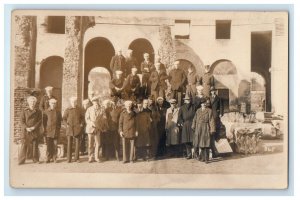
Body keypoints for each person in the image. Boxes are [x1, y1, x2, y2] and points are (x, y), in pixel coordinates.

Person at [18, 96, 42, 165]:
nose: (32, 103)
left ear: (35, 103)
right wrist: (26, 128)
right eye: (31, 101)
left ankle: (35, 159)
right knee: (24, 145)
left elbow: (39, 121)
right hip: (26, 131)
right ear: (28, 102)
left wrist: (34, 127)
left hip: (34, 130)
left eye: (34, 102)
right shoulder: (24, 111)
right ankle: (21, 160)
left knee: (35, 145)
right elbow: (22, 121)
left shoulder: (38, 111)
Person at [191, 99, 216, 164]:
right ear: (200, 104)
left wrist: (212, 129)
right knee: (200, 143)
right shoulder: (198, 110)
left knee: (206, 143)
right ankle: (202, 157)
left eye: (204, 103)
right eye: (202, 103)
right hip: (198, 128)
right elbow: (194, 119)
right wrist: (193, 126)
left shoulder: (209, 111)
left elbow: (211, 120)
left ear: (206, 104)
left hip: (206, 128)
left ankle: (206, 158)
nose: (203, 104)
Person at [63, 97, 84, 163]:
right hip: (69, 129)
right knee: (69, 143)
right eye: (72, 102)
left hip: (77, 129)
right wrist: (66, 125)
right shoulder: (68, 109)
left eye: (75, 101)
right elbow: (64, 119)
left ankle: (76, 158)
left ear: (76, 102)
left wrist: (81, 124)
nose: (74, 103)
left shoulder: (79, 109)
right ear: (70, 102)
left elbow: (83, 118)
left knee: (77, 144)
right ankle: (69, 159)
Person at [85, 97, 104, 163]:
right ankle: (90, 157)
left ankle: (96, 157)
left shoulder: (101, 109)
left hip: (98, 129)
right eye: (94, 102)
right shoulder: (89, 109)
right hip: (90, 128)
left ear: (98, 102)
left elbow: (102, 119)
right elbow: (87, 119)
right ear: (93, 103)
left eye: (97, 102)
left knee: (98, 143)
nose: (96, 103)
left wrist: (100, 126)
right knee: (90, 144)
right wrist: (91, 123)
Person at [177, 94, 197, 159]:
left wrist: (195, 123)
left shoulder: (194, 107)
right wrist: (182, 123)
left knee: (194, 140)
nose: (187, 101)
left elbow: (196, 115)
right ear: (185, 100)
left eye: (188, 99)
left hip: (193, 124)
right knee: (186, 141)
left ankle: (195, 154)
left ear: (190, 100)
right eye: (186, 100)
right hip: (185, 125)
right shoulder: (182, 108)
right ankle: (189, 154)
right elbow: (179, 117)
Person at [43, 98, 62, 163]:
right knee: (48, 145)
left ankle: (54, 158)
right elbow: (44, 122)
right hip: (48, 131)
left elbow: (60, 121)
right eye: (52, 103)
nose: (53, 105)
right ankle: (48, 158)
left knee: (55, 145)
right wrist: (45, 130)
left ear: (56, 104)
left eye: (54, 103)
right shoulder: (46, 112)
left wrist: (58, 128)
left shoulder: (58, 112)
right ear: (49, 104)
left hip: (55, 131)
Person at [208, 86, 224, 158]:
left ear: (215, 91)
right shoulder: (209, 98)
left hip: (216, 115)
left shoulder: (218, 98)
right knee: (210, 128)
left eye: (214, 91)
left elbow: (221, 106)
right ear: (210, 92)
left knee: (216, 128)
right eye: (212, 91)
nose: (213, 92)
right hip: (210, 114)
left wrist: (221, 113)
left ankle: (216, 140)